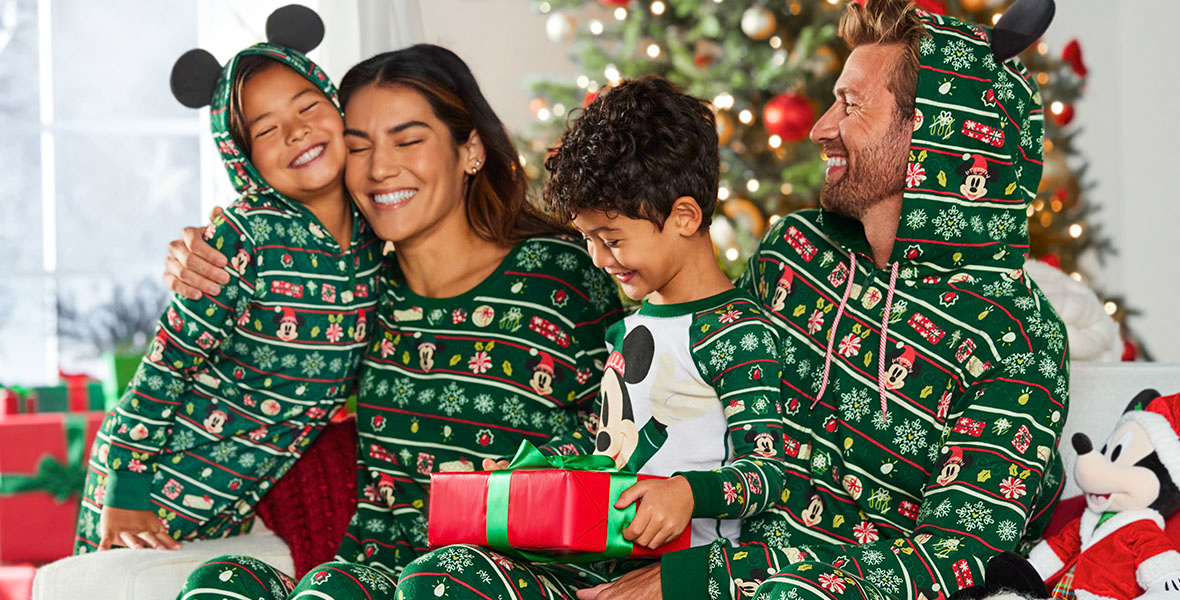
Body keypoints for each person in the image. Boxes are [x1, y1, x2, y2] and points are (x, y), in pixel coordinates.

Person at [588, 1, 1069, 599]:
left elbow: (957, 563)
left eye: (852, 104)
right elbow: (701, 395)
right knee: (456, 573)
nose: (819, 127)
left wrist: (702, 582)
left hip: (772, 587)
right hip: (682, 545)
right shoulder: (796, 249)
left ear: (931, 130)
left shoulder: (1016, 336)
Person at [171, 44, 624, 599]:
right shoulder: (353, 297)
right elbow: (238, 346)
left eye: (409, 141)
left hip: (519, 577)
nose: (381, 169)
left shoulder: (563, 276)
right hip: (375, 576)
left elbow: (630, 441)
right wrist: (209, 252)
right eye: (358, 148)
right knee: (221, 583)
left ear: (471, 150)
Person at [395, 76, 788, 600]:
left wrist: (687, 494)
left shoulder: (737, 333)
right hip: (600, 569)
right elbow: (610, 447)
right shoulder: (633, 326)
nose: (600, 260)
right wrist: (530, 471)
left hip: (681, 581)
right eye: (588, 240)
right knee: (443, 575)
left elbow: (772, 470)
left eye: (613, 239)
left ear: (685, 217)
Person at [75, 11, 383, 555]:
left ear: (337, 108)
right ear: (243, 156)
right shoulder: (241, 239)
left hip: (239, 500)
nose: (296, 131)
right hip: (152, 488)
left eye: (307, 106)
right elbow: (166, 366)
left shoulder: (372, 240)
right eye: (266, 130)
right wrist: (124, 489)